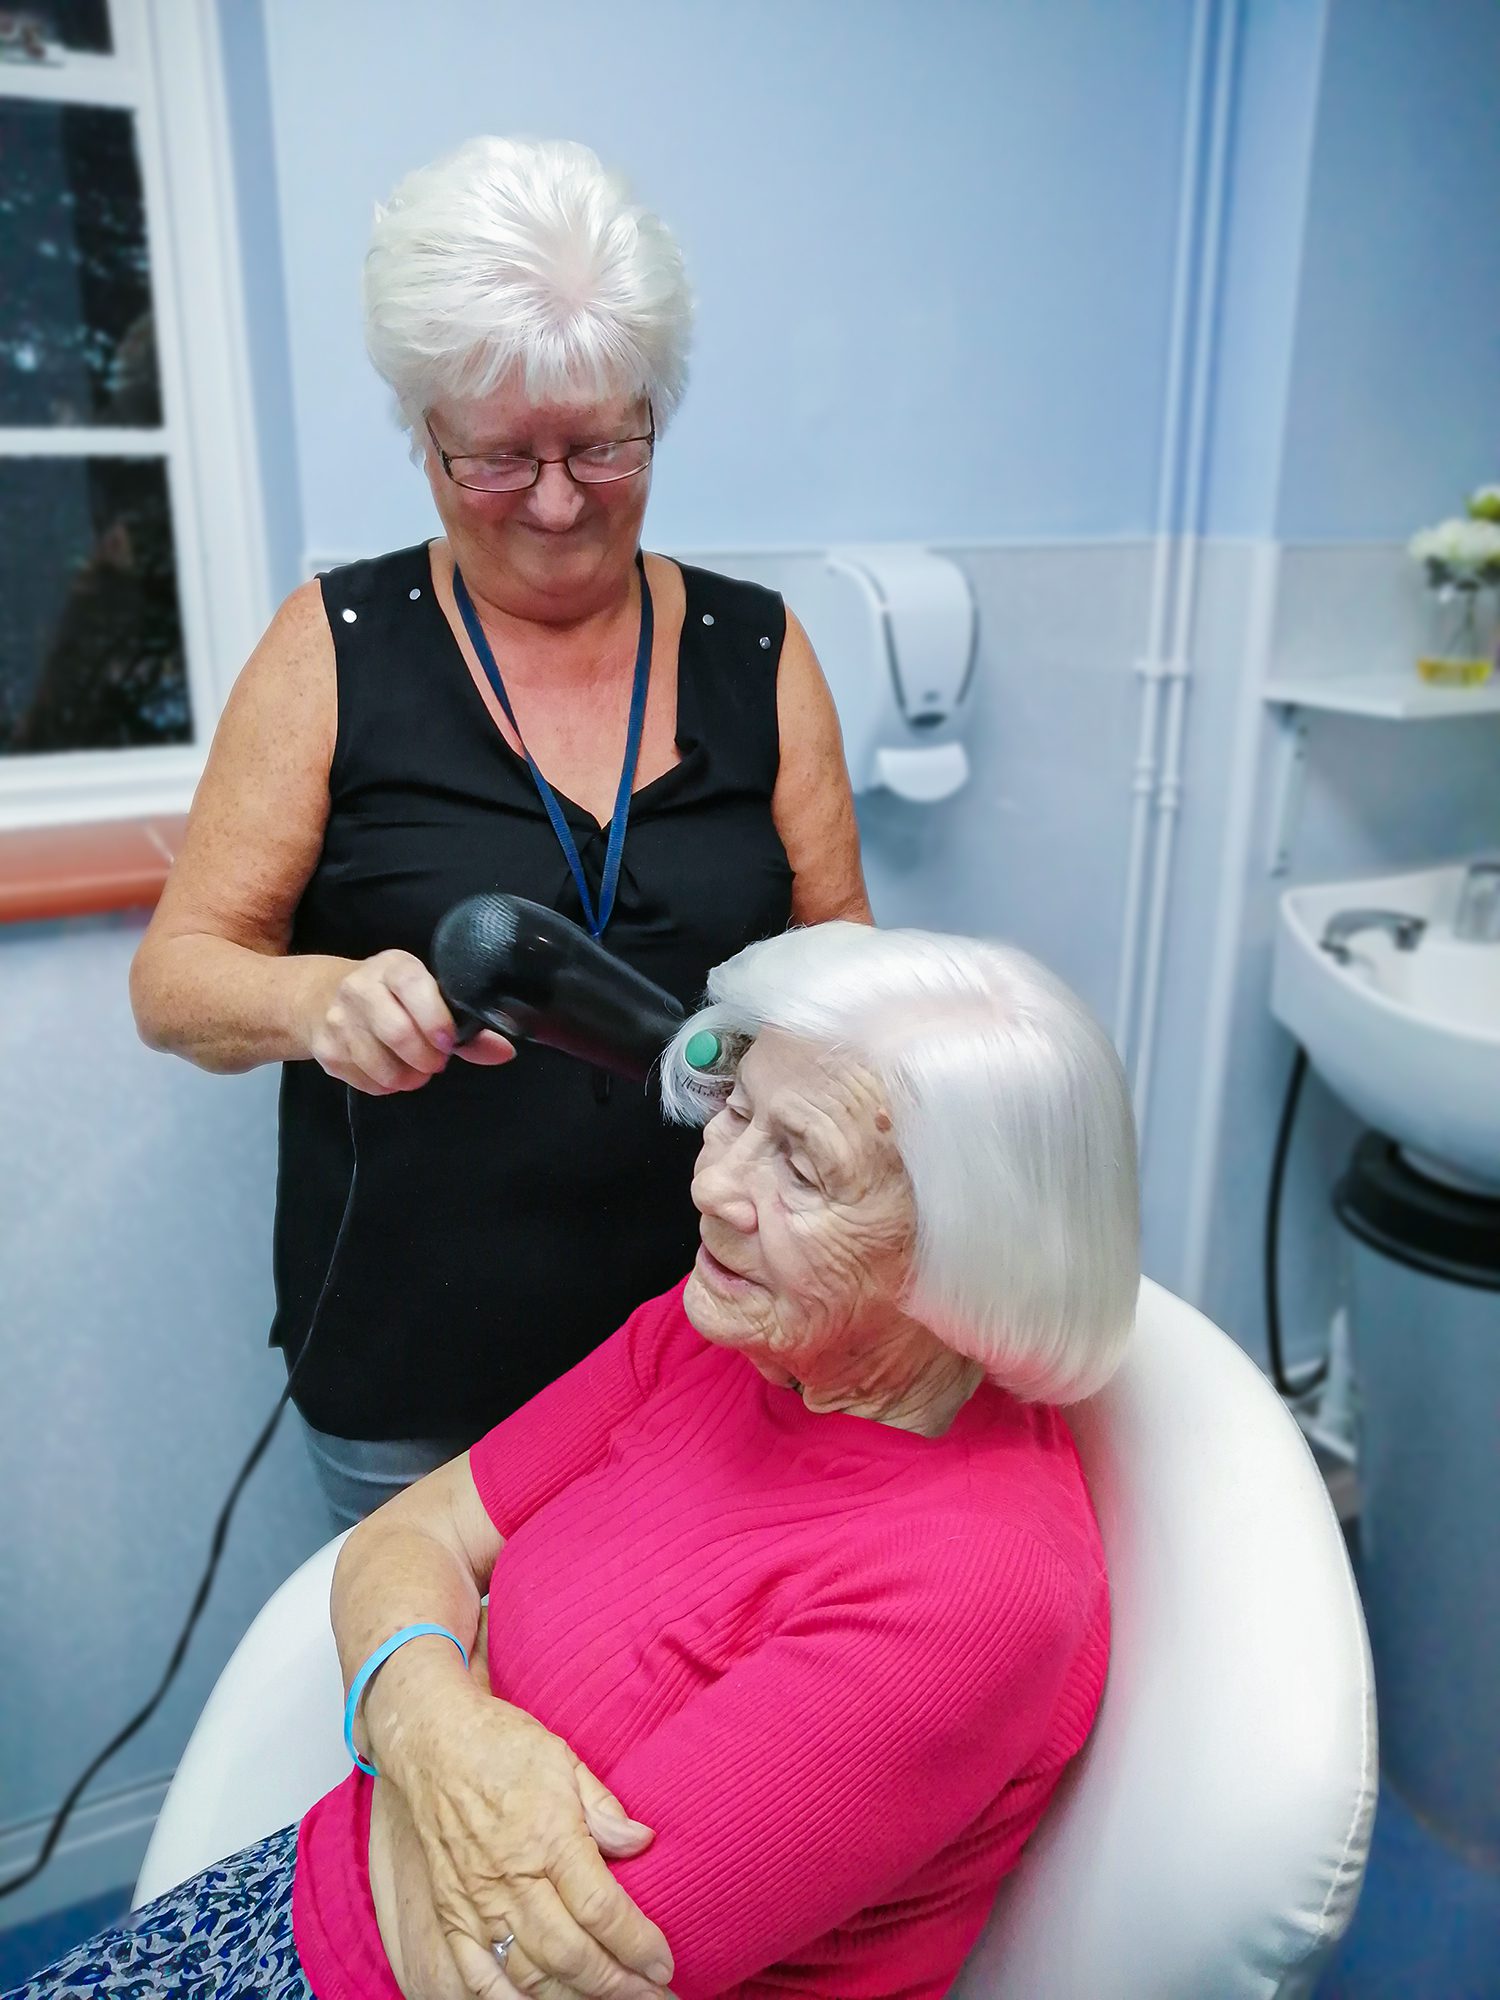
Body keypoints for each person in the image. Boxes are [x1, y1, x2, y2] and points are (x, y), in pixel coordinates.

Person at [19, 924, 1140, 2000]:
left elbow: (516, 1969)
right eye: (735, 1110)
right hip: (305, 1895)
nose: (712, 1185)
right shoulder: (727, 1332)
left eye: (800, 1164)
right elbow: (403, 1536)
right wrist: (441, 1731)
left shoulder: (969, 1588)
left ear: (972, 1244)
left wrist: (413, 1688)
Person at [129, 137, 869, 1523]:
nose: (555, 499)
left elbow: (846, 958)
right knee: (432, 1720)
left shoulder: (756, 651)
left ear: (656, 409)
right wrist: (324, 998)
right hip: (420, 1373)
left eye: (603, 444)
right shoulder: (335, 648)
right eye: (499, 459)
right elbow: (178, 981)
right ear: (424, 438)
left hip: (715, 1349)